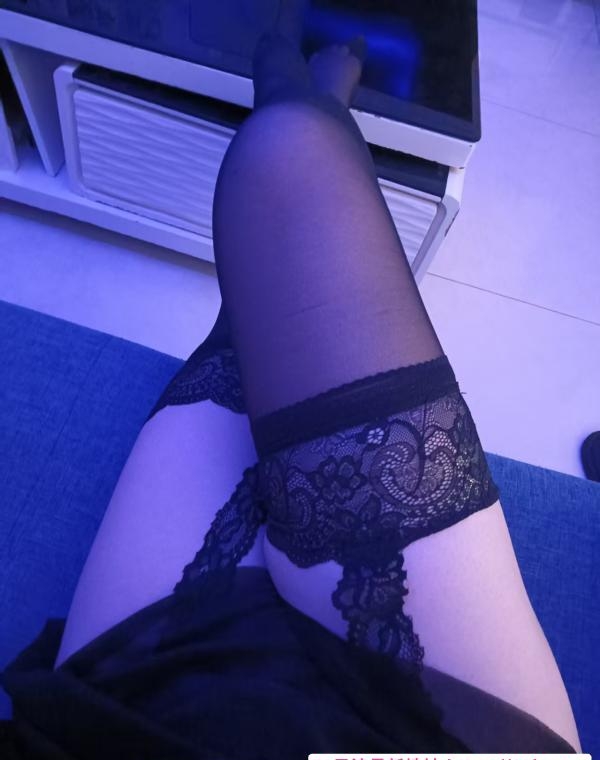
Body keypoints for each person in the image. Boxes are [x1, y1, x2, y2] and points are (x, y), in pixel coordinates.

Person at [1, 7, 582, 757]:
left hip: (146, 717)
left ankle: (301, 90)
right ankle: (312, 95)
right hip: (443, 736)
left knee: (261, 263)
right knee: (289, 163)